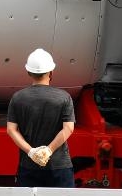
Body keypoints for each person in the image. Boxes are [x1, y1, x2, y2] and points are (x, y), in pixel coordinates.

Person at [6, 48, 75, 187]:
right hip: (59, 166)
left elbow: (11, 130)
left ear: (29, 73)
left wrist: (31, 152)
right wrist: (48, 150)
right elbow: (68, 128)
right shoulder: (64, 97)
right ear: (51, 72)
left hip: (28, 166)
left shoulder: (18, 98)